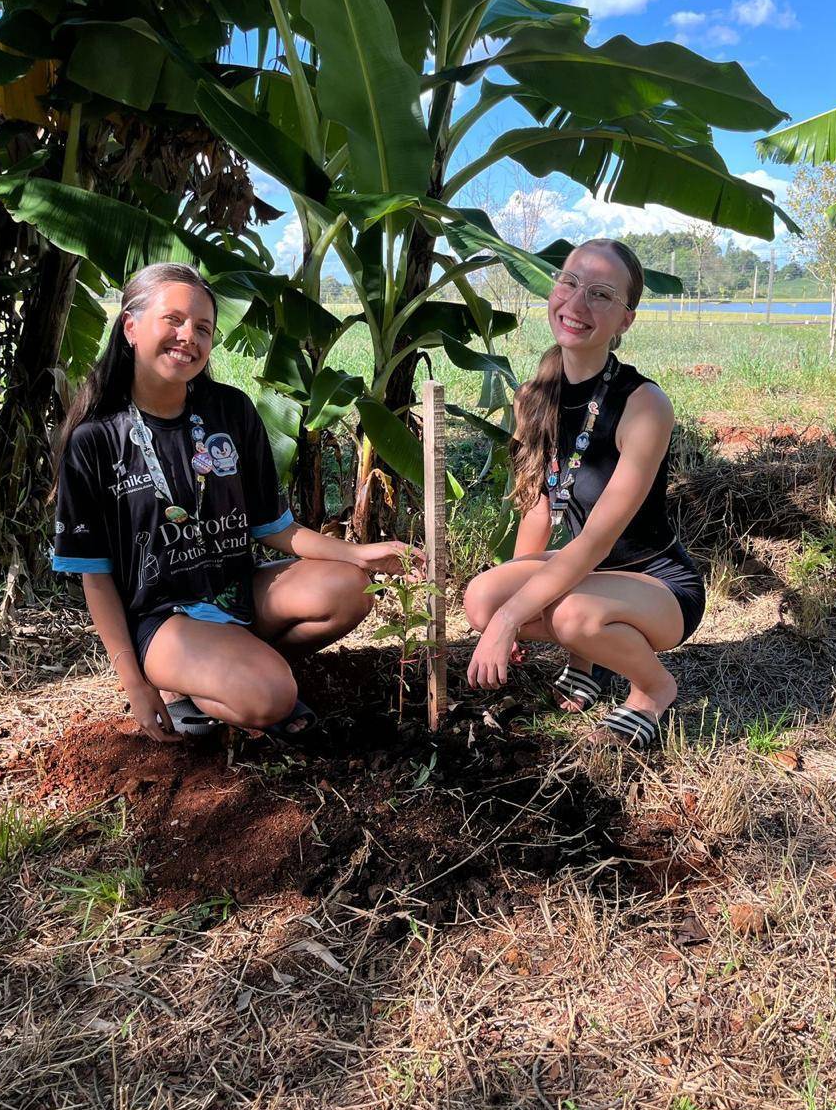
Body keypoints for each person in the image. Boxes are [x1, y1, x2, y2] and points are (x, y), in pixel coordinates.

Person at [52, 262, 420, 744]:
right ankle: (198, 687)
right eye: (174, 320)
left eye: (203, 328)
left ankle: (244, 669)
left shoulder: (230, 410)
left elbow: (273, 527)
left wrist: (357, 552)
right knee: (270, 698)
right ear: (131, 327)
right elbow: (95, 575)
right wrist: (135, 685)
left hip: (236, 591)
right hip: (162, 620)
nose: (189, 337)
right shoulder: (95, 439)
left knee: (351, 587)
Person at [463, 239, 705, 750]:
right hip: (589, 572)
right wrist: (512, 606)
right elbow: (537, 510)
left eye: (600, 295)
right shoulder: (533, 396)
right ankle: (588, 660)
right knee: (482, 598)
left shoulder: (644, 404)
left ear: (625, 320)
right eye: (569, 283)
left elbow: (594, 540)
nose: (576, 305)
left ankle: (653, 687)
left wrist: (514, 619)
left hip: (657, 582)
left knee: (572, 616)